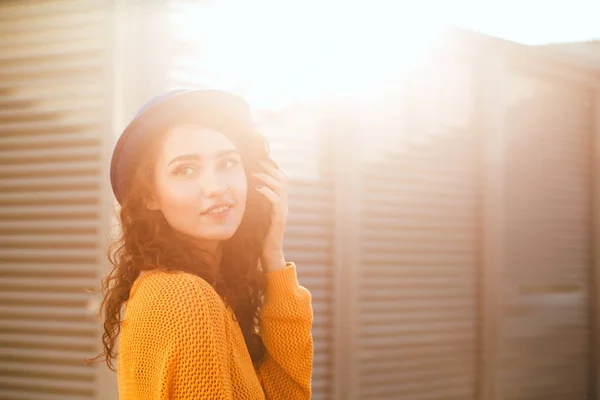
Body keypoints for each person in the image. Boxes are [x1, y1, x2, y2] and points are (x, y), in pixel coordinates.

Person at [91, 89, 313, 399]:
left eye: (227, 163)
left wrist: (273, 256)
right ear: (150, 196)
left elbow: (288, 393)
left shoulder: (206, 289)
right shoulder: (183, 297)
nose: (216, 187)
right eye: (185, 170)